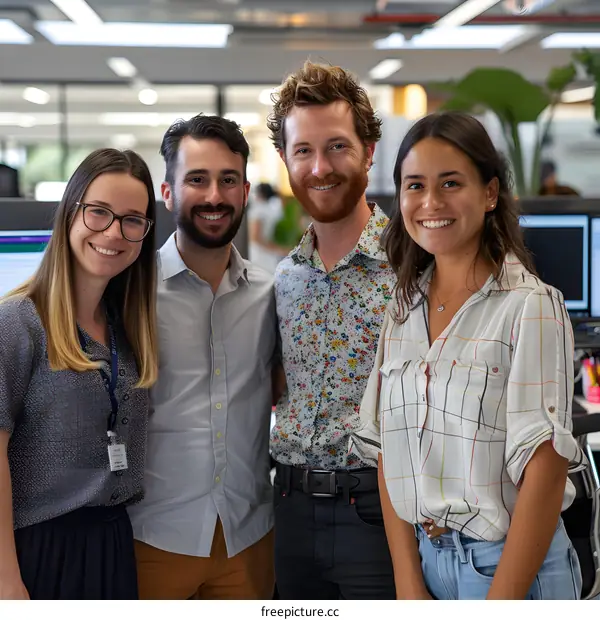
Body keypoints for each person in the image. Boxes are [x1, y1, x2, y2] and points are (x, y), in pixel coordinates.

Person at [356, 111, 585, 600]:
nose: (431, 202)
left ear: (489, 192)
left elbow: (544, 472)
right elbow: (387, 455)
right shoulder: (401, 310)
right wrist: (408, 582)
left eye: (451, 183)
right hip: (429, 562)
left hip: (512, 570)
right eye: (414, 185)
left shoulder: (530, 306)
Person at [129, 114, 278, 600]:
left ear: (244, 191)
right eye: (197, 179)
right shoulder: (131, 293)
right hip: (152, 537)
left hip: (250, 537)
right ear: (167, 192)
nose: (214, 196)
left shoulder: (272, 294)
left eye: (227, 180)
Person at [0, 148, 158, 600]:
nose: (114, 232)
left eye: (132, 220)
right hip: (39, 551)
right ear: (71, 213)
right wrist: (7, 581)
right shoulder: (18, 323)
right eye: (99, 213)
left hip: (111, 545)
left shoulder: (125, 331)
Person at [266, 60, 397, 599]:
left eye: (338, 146)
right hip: (289, 511)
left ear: (369, 151)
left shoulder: (415, 267)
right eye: (304, 151)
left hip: (378, 516)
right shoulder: (284, 277)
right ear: (285, 160)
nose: (320, 167)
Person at [248, 182, 287, 273]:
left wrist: (277, 249)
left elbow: (255, 237)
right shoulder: (270, 209)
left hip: (259, 255)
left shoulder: (258, 210)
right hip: (264, 254)